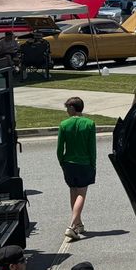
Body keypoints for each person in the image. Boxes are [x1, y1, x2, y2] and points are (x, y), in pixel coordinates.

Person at [58, 97, 96, 242]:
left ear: (73, 108)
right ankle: (72, 225)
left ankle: (78, 222)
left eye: (68, 108)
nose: (67, 110)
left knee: (73, 191)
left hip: (68, 162)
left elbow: (60, 148)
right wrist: (93, 164)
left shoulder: (64, 124)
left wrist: (62, 161)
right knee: (81, 193)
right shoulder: (89, 124)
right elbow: (92, 148)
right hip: (84, 163)